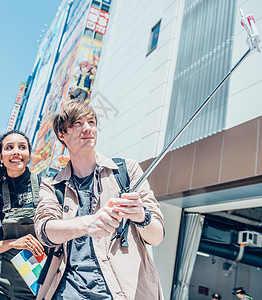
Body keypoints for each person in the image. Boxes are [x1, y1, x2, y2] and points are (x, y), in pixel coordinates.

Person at [34, 101, 165, 299]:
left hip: (124, 292)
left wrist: (142, 216)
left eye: (92, 122)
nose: (88, 128)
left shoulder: (126, 171)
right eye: (78, 123)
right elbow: (44, 231)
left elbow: (157, 237)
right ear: (62, 134)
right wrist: (86, 224)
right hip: (69, 291)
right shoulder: (52, 185)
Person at [0, 130, 44, 300]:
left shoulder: (45, 186)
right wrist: (14, 243)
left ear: (29, 155)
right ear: (0, 156)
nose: (16, 152)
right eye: (9, 147)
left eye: (22, 147)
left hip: (34, 279)